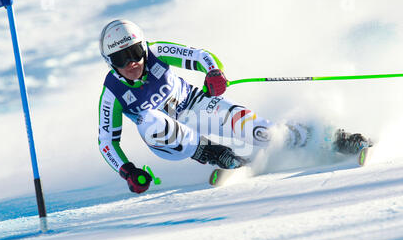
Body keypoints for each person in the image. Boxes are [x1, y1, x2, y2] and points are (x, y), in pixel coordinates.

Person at [98, 19, 370, 194]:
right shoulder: (112, 93)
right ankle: (214, 153)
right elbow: (107, 142)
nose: (131, 63)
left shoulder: (158, 51)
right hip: (169, 139)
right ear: (111, 63)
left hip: (196, 105)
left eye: (134, 52)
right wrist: (128, 171)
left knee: (261, 132)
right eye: (121, 58)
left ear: (143, 48)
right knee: (150, 120)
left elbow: (201, 56)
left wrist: (214, 73)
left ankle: (330, 140)